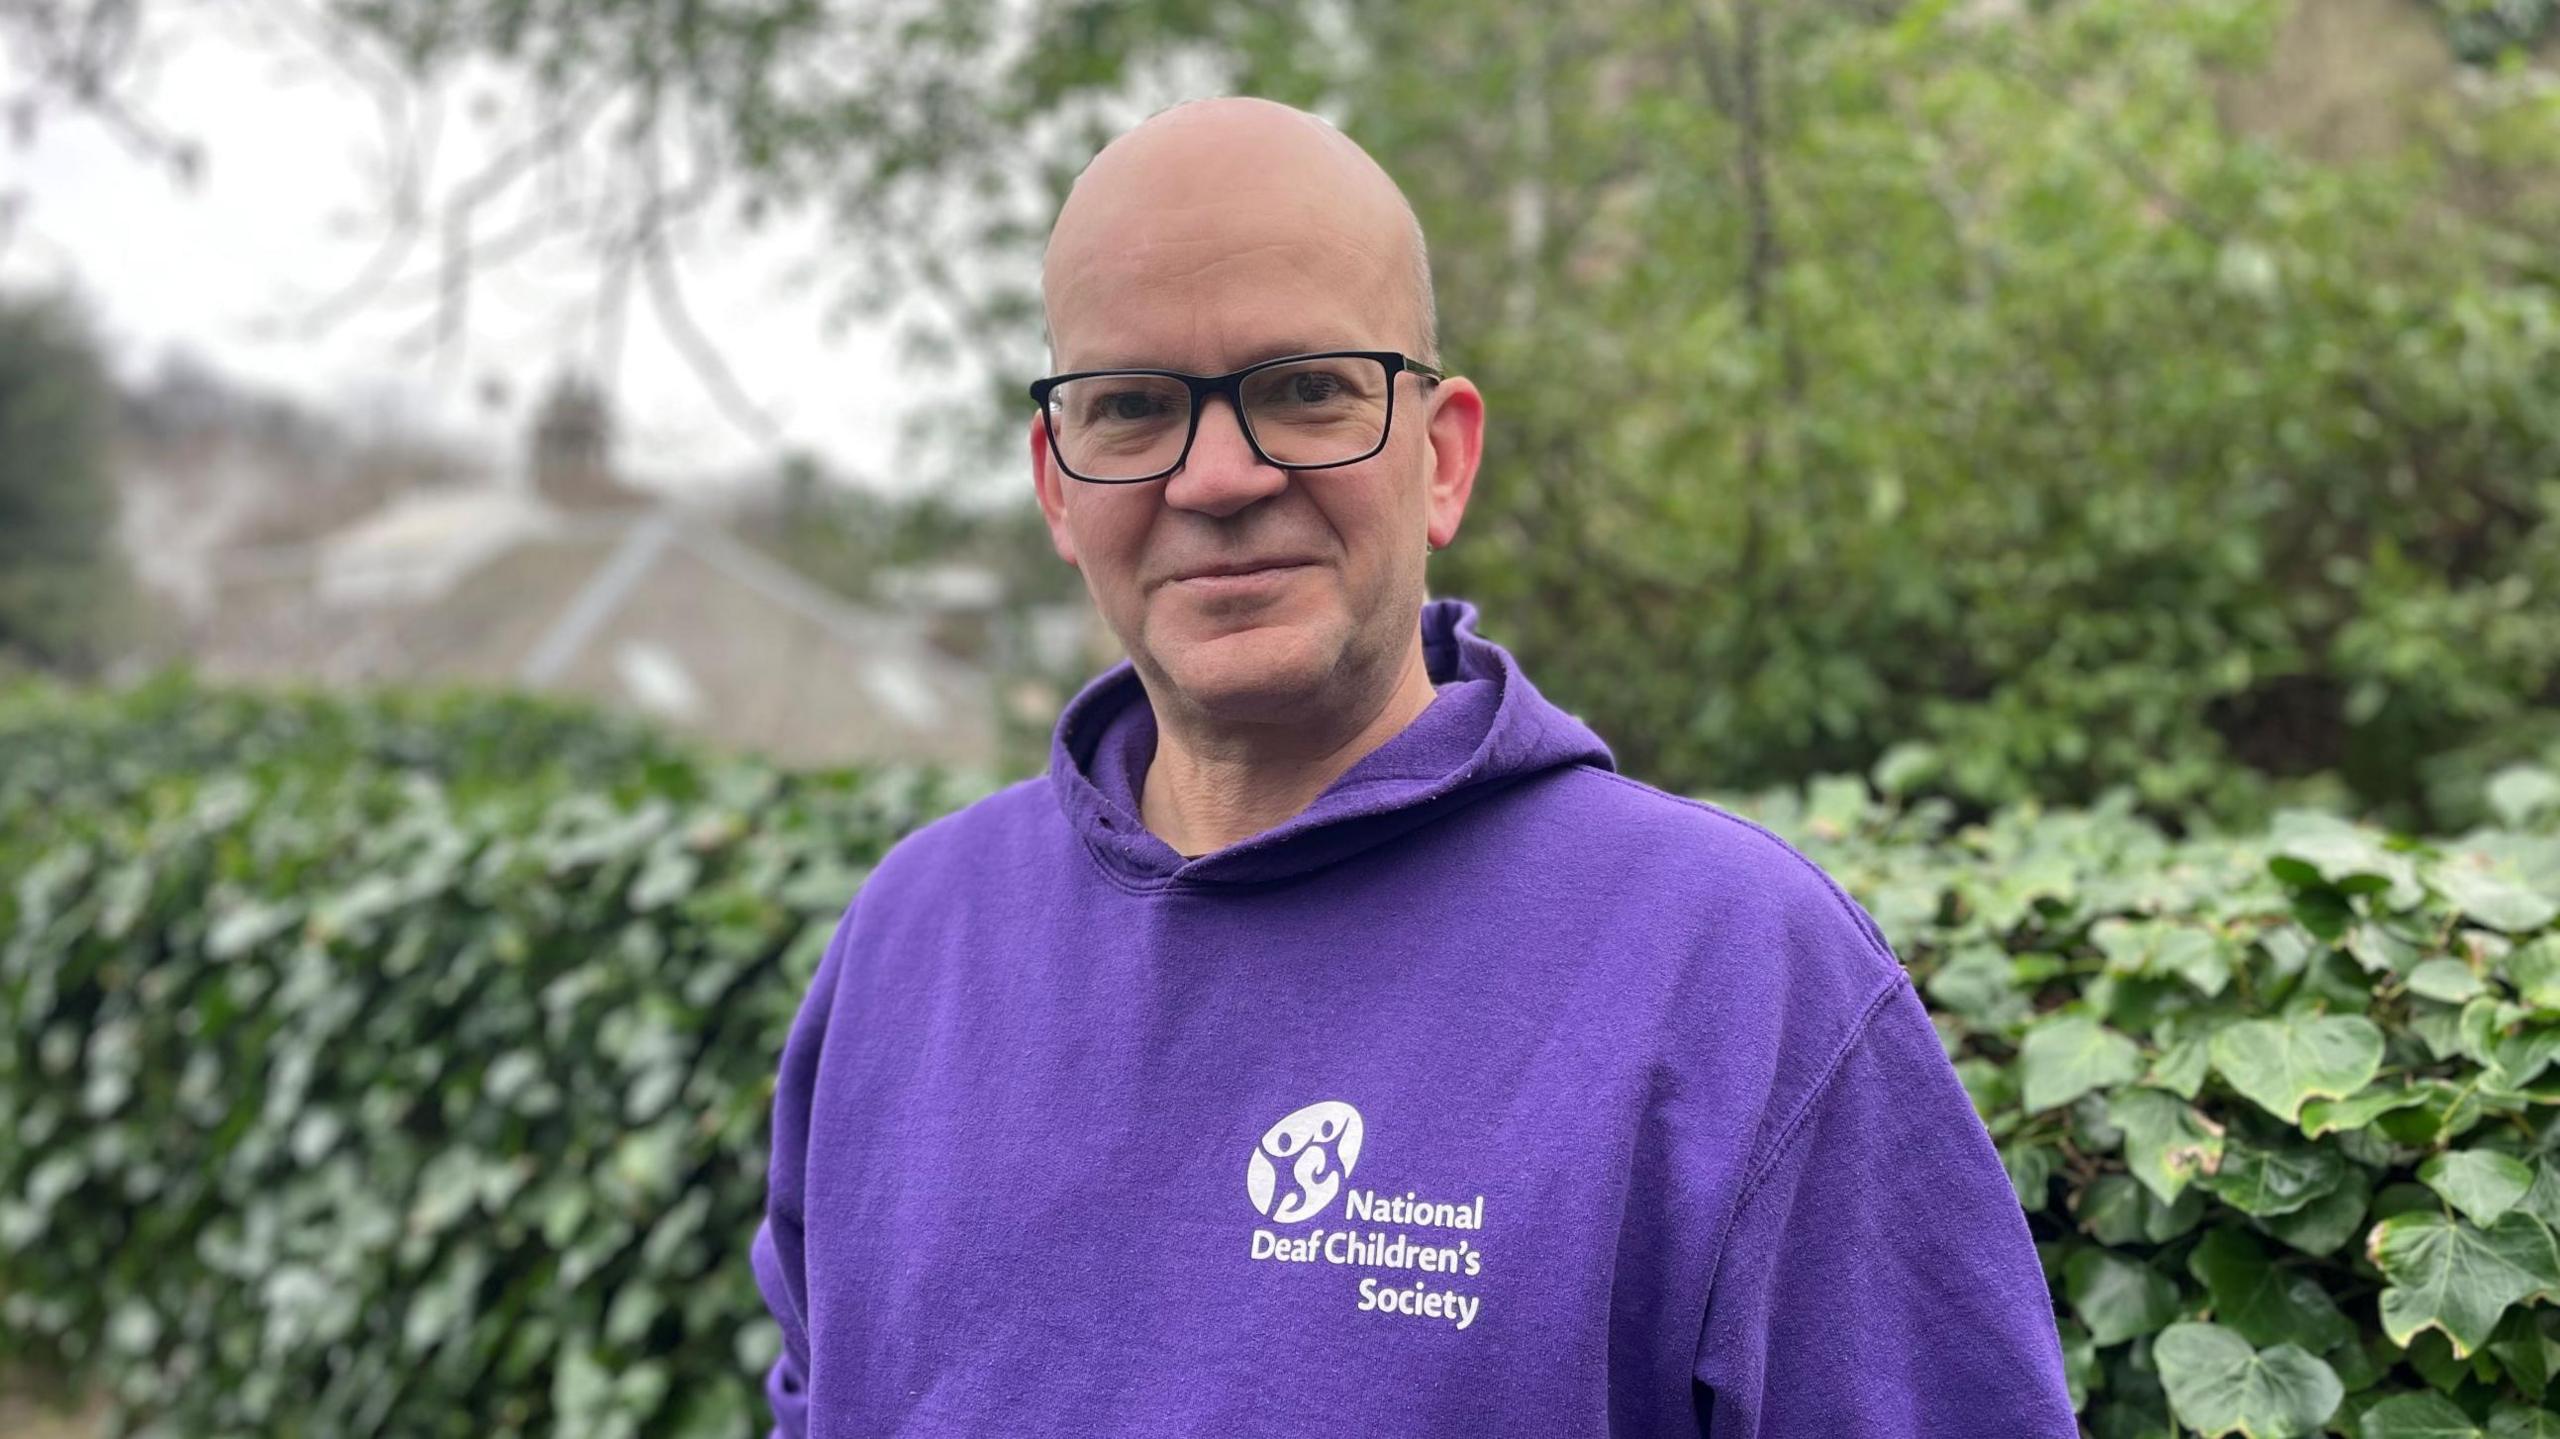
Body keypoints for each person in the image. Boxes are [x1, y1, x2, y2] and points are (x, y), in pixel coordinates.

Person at [749, 95, 2079, 1437]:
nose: (1215, 477)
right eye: (1135, 408)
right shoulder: (909, 944)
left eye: (1305, 391)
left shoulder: (1736, 974)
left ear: (1441, 459)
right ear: (1056, 481)